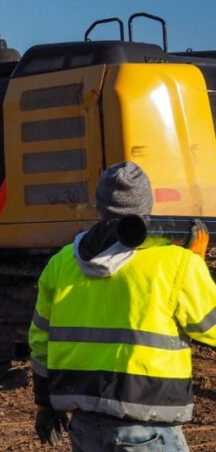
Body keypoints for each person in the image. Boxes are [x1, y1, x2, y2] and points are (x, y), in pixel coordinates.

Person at [29, 161, 216, 451]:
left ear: (100, 208)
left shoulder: (62, 264)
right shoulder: (177, 262)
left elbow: (40, 343)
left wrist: (44, 405)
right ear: (147, 205)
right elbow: (211, 327)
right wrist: (195, 266)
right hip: (148, 427)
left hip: (86, 428)